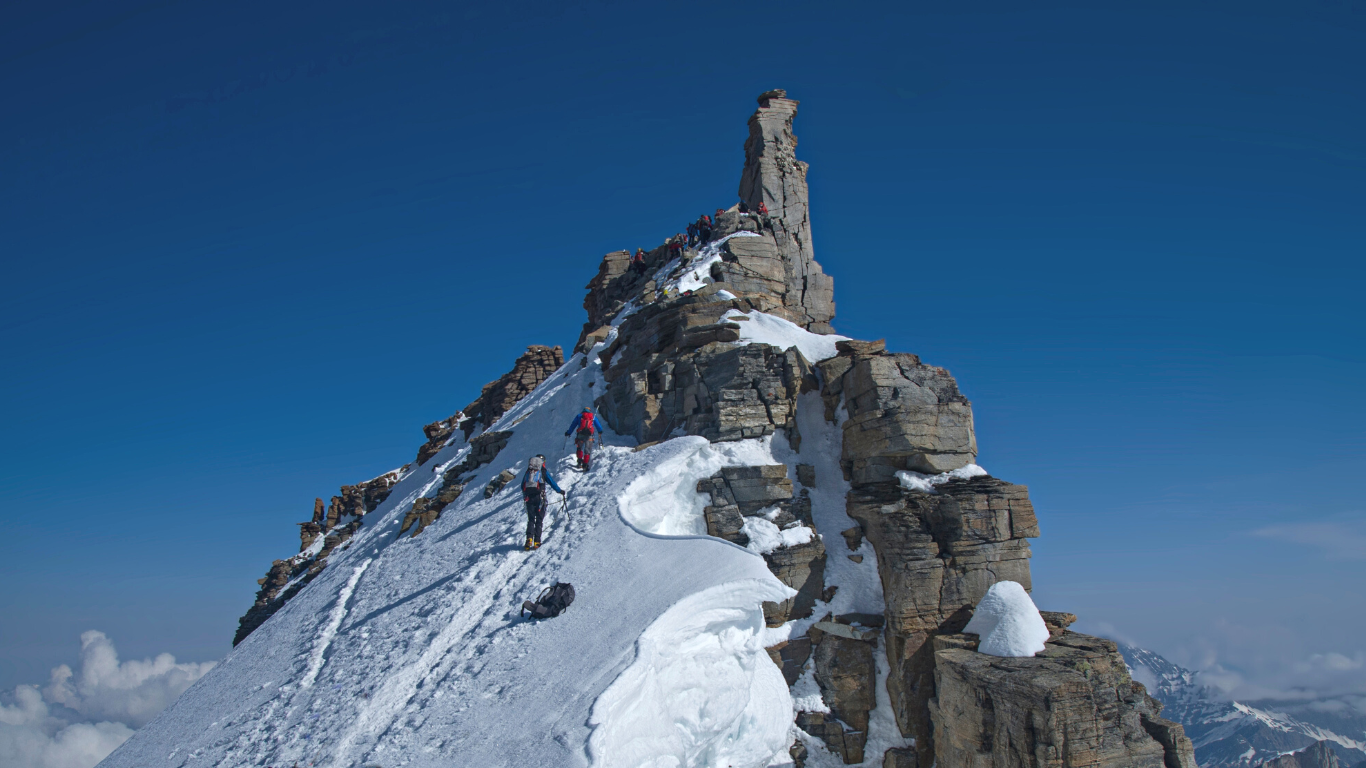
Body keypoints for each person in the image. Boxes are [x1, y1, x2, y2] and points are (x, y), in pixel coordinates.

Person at [521, 454, 563, 551]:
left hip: (529, 498)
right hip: (540, 498)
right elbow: (551, 482)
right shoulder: (543, 471)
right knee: (539, 519)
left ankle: (529, 539)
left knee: (531, 519)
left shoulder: (529, 471)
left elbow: (522, 485)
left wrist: (526, 495)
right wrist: (559, 491)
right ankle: (537, 541)